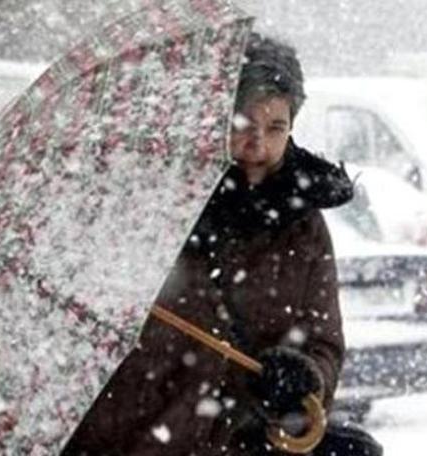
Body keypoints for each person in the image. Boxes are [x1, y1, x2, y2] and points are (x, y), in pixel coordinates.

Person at [63, 33, 377, 455]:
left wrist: (303, 378)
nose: (258, 146)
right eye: (243, 126)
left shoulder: (303, 226)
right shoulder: (155, 208)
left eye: (276, 127)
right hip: (140, 439)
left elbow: (323, 341)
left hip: (241, 443)